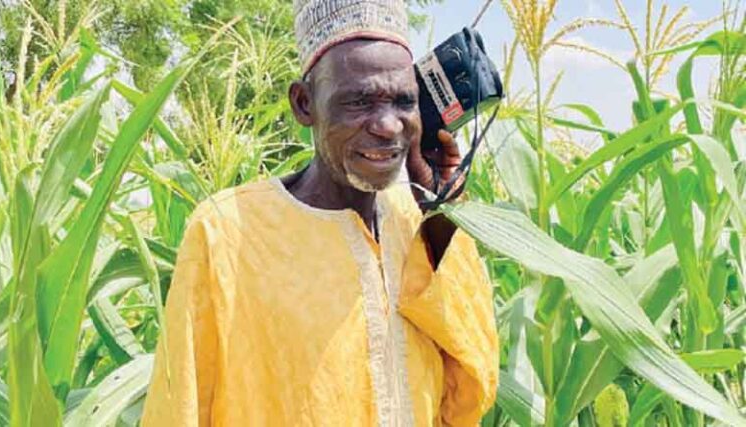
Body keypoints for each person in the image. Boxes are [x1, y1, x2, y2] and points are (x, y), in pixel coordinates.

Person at [141, 0, 498, 425]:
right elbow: (179, 405)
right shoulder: (227, 231)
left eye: (404, 102)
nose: (388, 125)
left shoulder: (419, 221)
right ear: (304, 103)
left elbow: (470, 390)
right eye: (359, 102)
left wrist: (440, 215)